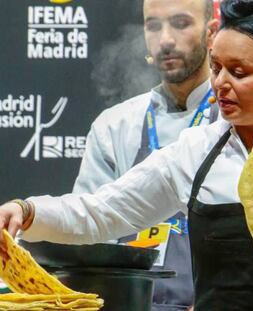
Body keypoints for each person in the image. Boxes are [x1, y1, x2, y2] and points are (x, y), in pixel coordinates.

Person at [1, 0, 253, 310]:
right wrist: (27, 210)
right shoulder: (194, 151)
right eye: (216, 67)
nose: (221, 84)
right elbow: (101, 212)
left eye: (240, 72)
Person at [72, 0, 218, 310]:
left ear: (211, 32)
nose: (165, 39)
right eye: (153, 25)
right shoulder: (114, 126)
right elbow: (90, 240)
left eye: (180, 23)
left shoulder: (239, 122)